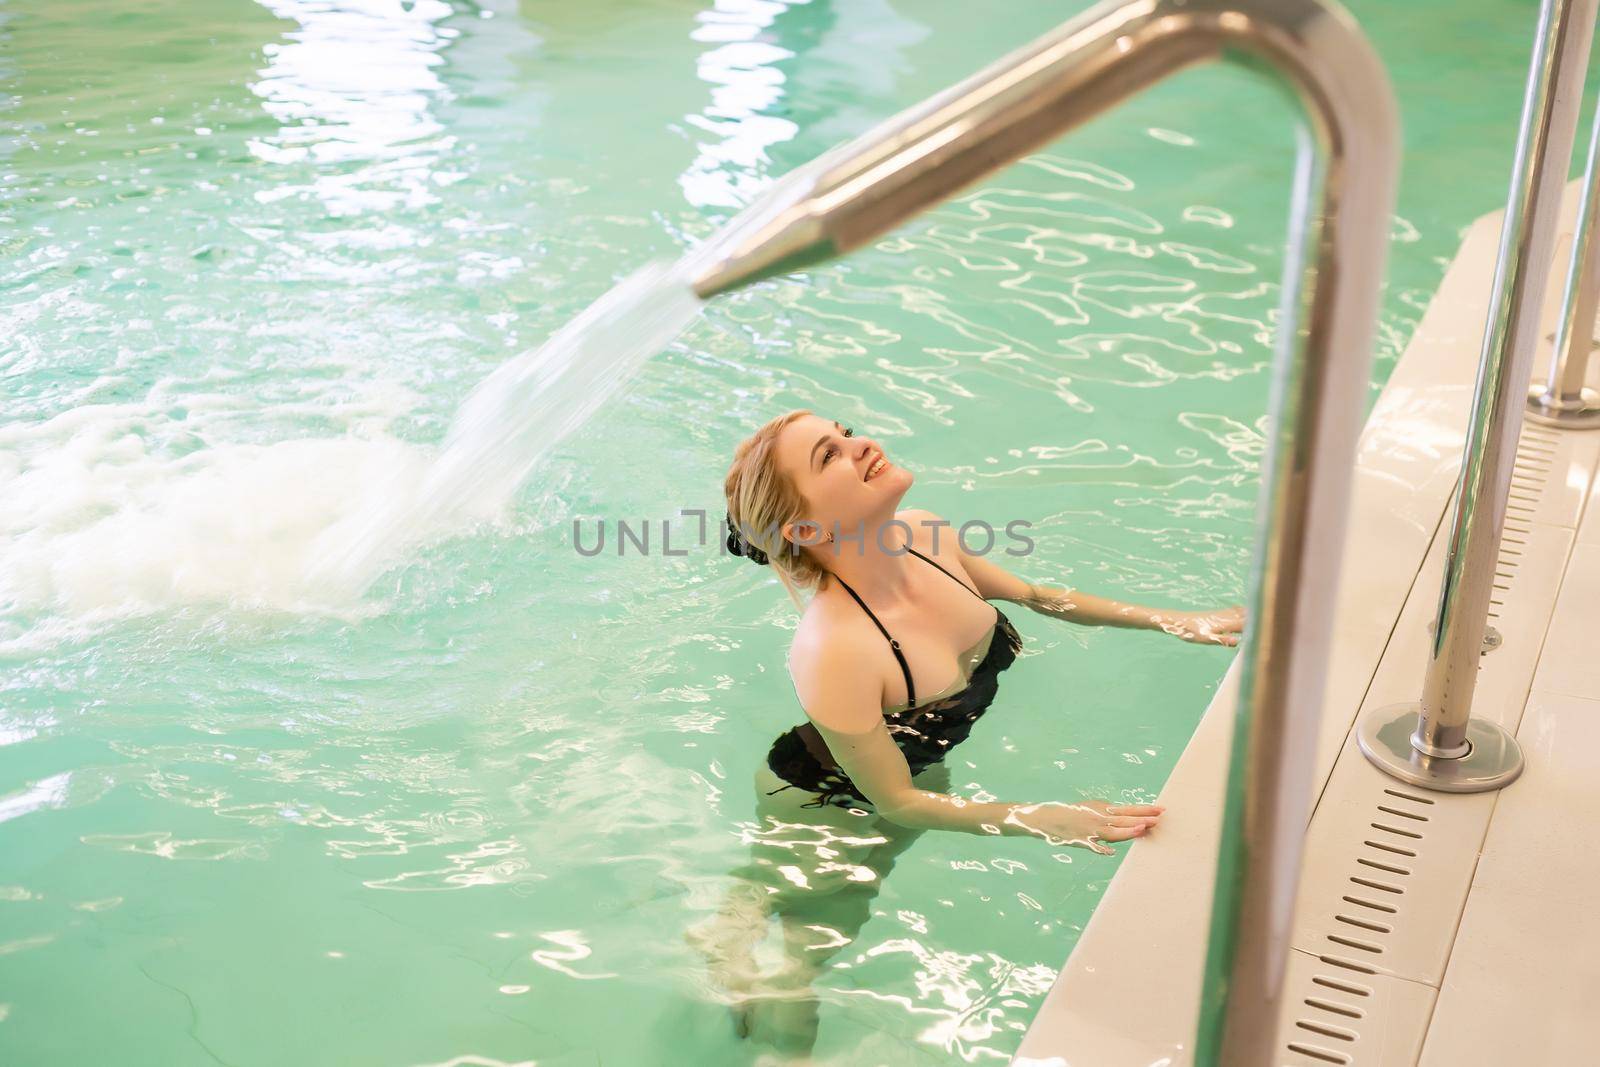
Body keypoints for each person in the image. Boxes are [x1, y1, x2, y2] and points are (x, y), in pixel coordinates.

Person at [685, 409, 1245, 1057]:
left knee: (840, 920)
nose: (861, 443)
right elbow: (892, 800)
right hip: (826, 795)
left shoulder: (926, 536)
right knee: (804, 964)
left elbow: (1038, 594)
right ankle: (736, 943)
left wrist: (1178, 620)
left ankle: (736, 919)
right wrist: (1042, 818)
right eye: (829, 455)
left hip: (919, 767)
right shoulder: (833, 647)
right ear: (807, 528)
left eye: (844, 432)